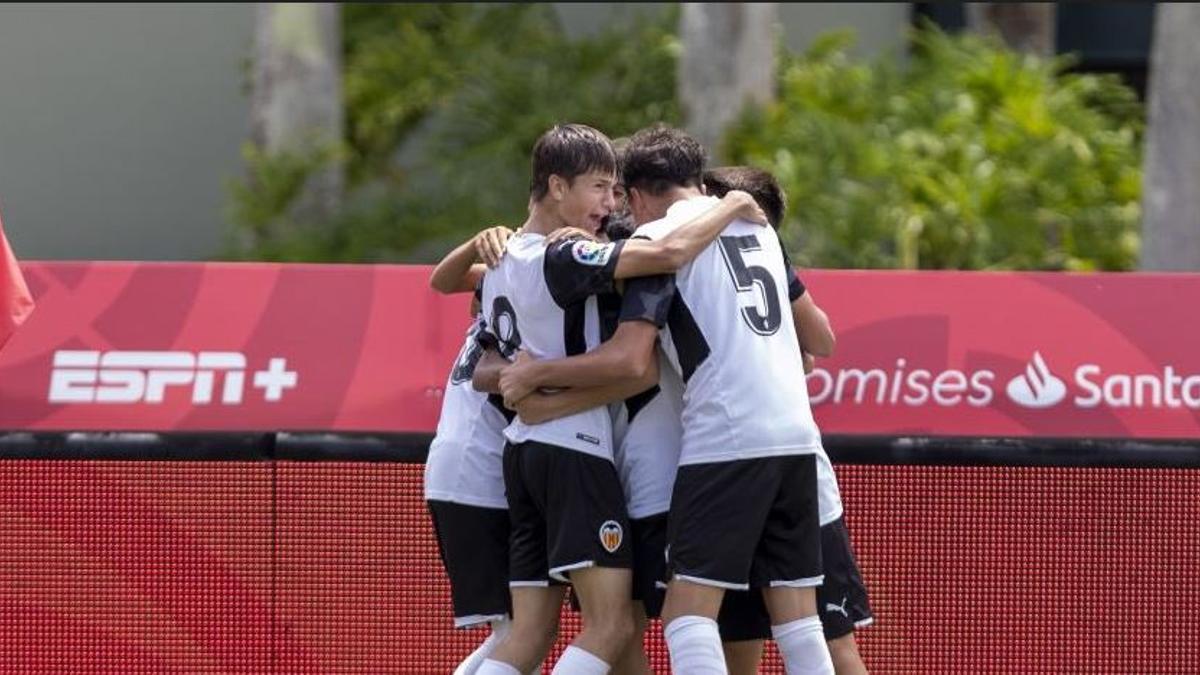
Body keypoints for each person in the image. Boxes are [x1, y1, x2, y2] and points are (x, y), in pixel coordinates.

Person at [497, 124, 835, 674]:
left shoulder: (657, 247)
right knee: (800, 619)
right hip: (797, 439)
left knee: (688, 614)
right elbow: (818, 340)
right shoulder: (762, 230)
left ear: (635, 196)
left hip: (726, 439)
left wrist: (539, 376)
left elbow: (633, 360)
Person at [703, 166, 872, 675]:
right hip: (737, 481)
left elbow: (820, 342)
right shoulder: (709, 282)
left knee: (832, 646)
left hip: (793, 490)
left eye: (715, 201)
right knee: (741, 653)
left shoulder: (755, 267)